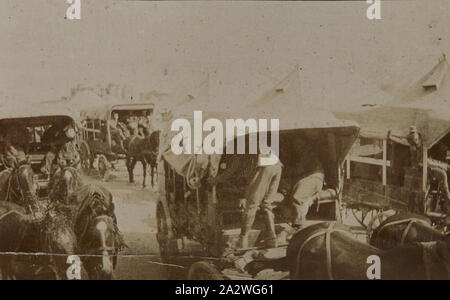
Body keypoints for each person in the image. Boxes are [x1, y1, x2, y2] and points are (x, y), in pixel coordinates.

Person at [208, 149, 282, 248]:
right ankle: (272, 239)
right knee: (266, 204)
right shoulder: (246, 142)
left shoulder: (234, 147)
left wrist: (216, 180)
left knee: (251, 204)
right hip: (277, 166)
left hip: (264, 166)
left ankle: (243, 240)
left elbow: (232, 169)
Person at [284, 137, 325, 227]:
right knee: (296, 194)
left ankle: (299, 223)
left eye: (298, 145)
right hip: (312, 178)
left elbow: (298, 170)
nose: (296, 147)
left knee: (298, 197)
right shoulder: (305, 153)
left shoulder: (307, 153)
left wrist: (285, 171)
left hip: (314, 178)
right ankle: (296, 220)